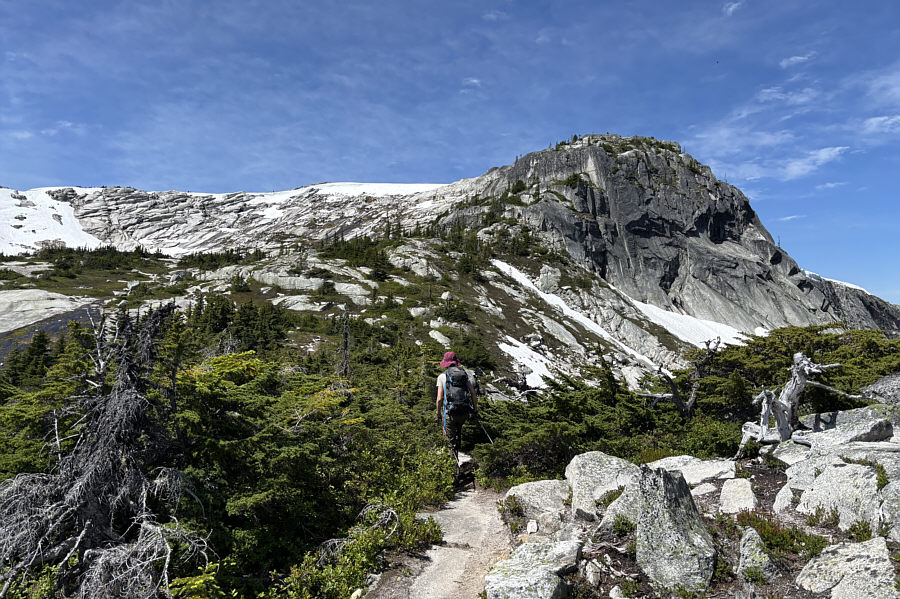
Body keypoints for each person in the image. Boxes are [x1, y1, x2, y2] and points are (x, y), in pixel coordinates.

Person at [435, 351, 477, 446]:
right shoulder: (463, 375)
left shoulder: (442, 377)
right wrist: (475, 409)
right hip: (464, 411)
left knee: (449, 439)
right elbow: (473, 393)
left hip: (449, 412)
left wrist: (438, 413)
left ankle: (452, 452)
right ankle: (458, 447)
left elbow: (439, 399)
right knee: (459, 433)